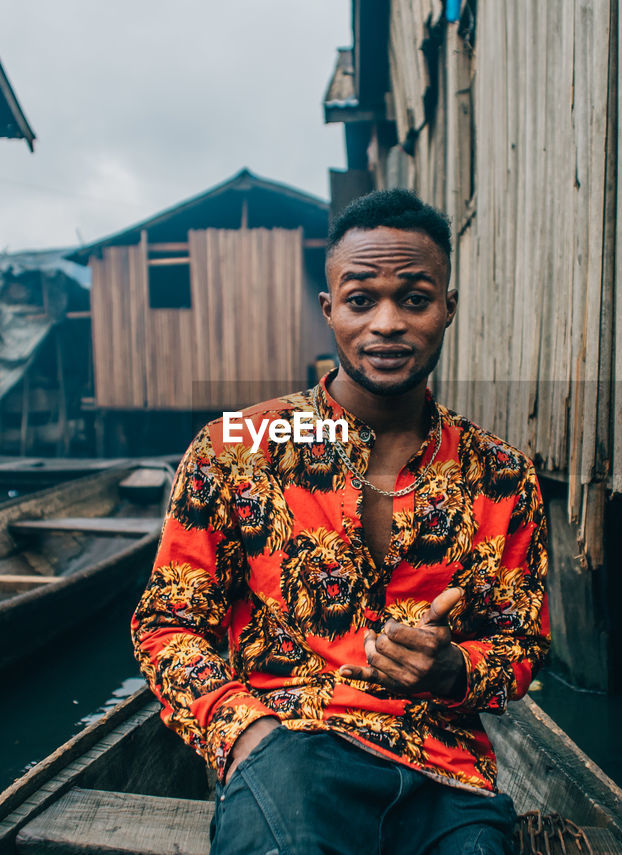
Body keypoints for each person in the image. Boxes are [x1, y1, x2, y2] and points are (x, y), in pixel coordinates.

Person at [132, 188, 550, 855]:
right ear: (330, 311)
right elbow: (168, 625)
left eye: (414, 299)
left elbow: (520, 642)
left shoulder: (502, 475)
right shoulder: (234, 448)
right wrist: (244, 732)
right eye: (361, 300)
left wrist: (450, 669)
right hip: (292, 747)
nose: (387, 322)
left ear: (447, 309)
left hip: (447, 772)